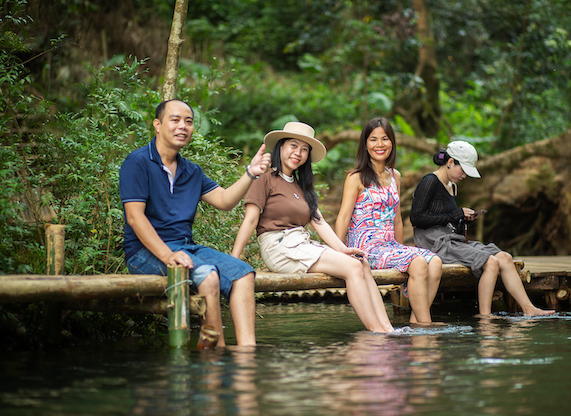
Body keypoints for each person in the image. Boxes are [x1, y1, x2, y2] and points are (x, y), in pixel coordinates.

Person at [119, 99, 271, 348]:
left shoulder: (192, 171)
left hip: (185, 247)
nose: (183, 126)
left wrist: (250, 173)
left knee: (244, 274)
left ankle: (246, 353)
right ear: (157, 125)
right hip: (144, 252)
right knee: (208, 276)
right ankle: (214, 353)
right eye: (175, 120)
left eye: (188, 121)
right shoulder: (137, 162)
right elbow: (135, 218)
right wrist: (168, 255)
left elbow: (224, 200)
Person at [232, 122, 394, 333]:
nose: (298, 153)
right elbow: (251, 220)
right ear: (280, 146)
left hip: (301, 243)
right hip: (278, 246)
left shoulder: (300, 184)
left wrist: (343, 249)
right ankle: (377, 333)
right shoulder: (264, 177)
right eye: (293, 145)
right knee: (353, 268)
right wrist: (234, 259)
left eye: (304, 149)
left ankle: (388, 328)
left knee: (360, 263)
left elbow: (319, 222)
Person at [410, 141, 555, 316]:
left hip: (452, 241)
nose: (464, 176)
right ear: (450, 163)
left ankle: (529, 309)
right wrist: (454, 215)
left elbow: (447, 223)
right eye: (462, 170)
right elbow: (416, 218)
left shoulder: (452, 186)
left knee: (505, 258)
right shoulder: (429, 181)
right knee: (491, 262)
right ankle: (485, 318)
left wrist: (463, 220)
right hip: (434, 244)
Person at [335, 117, 443, 324]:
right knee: (419, 263)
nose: (379, 145)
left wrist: (400, 249)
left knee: (435, 262)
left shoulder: (395, 175)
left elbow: (397, 219)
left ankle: (417, 320)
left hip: (389, 247)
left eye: (384, 139)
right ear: (365, 145)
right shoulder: (356, 177)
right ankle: (426, 325)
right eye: (373, 139)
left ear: (392, 142)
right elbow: (343, 217)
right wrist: (338, 251)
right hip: (365, 249)